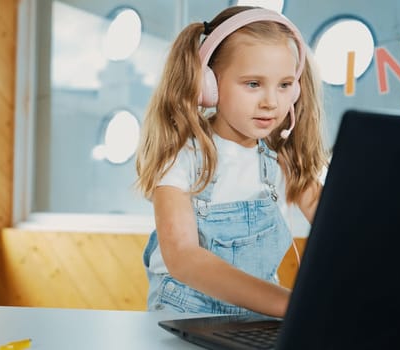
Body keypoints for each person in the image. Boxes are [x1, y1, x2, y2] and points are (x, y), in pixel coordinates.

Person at [135, 6, 328, 318]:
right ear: (207, 84)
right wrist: (291, 305)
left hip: (262, 316)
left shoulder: (284, 160)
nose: (271, 102)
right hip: (186, 313)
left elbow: (337, 230)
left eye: (284, 85)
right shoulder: (182, 159)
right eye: (253, 84)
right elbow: (184, 258)